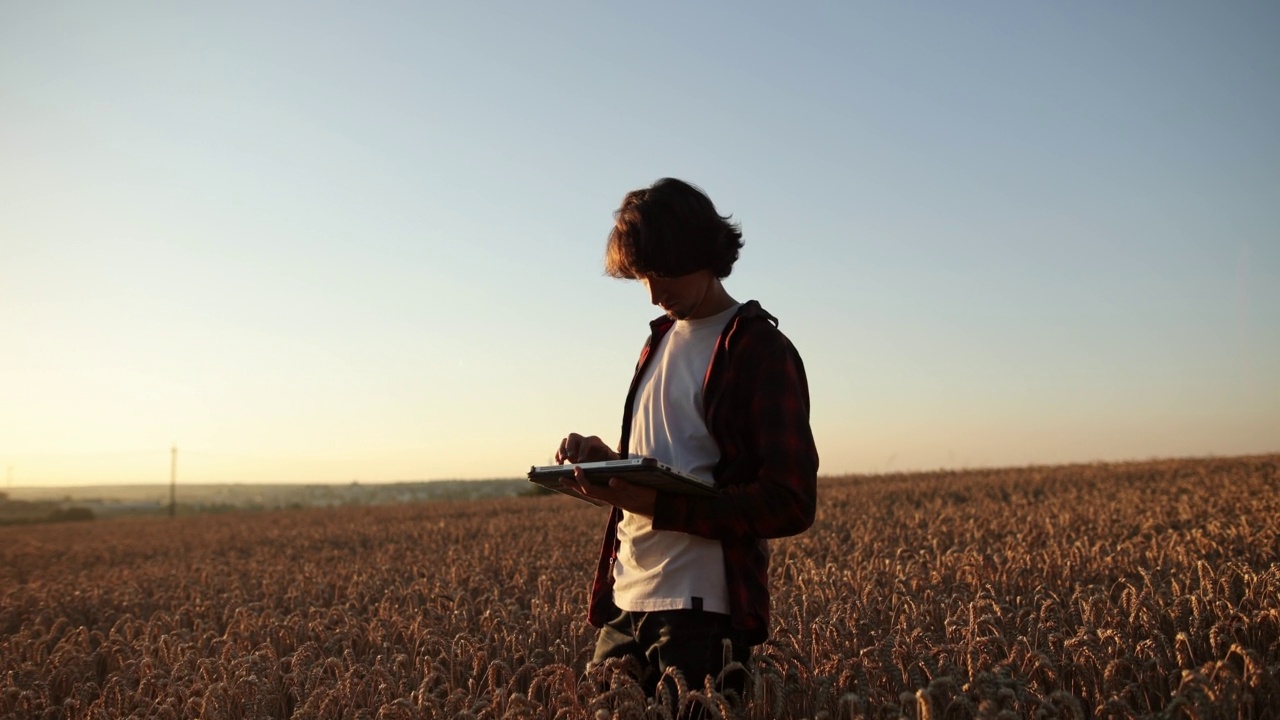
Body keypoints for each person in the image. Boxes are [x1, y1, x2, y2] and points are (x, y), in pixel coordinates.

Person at [554, 178, 819, 707]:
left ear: (701, 251)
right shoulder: (655, 343)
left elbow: (791, 501)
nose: (653, 292)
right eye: (640, 276)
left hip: (704, 609)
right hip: (626, 599)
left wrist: (654, 502)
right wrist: (611, 463)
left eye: (663, 272)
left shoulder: (758, 348)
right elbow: (669, 458)